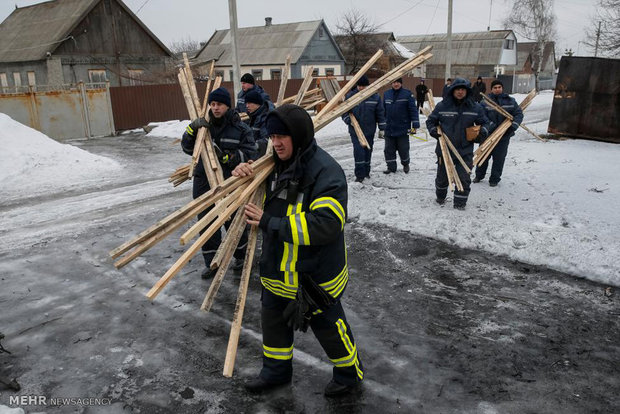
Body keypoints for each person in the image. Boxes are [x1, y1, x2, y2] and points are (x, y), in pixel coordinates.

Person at [232, 104, 364, 397]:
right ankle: (275, 373)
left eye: (283, 136)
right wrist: (243, 173)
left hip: (313, 275)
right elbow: (250, 192)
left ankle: (349, 373)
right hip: (277, 269)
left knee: (329, 328)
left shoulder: (326, 172)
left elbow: (326, 225)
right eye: (272, 135)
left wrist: (270, 222)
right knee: (274, 326)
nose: (276, 142)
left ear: (300, 135)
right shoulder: (271, 165)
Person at [181, 87, 258, 279]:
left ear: (227, 106)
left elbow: (250, 152)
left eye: (220, 104)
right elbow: (187, 148)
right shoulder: (202, 126)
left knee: (234, 219)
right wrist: (191, 130)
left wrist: (230, 158)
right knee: (207, 222)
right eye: (213, 104)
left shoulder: (239, 127)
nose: (215, 108)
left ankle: (240, 256)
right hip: (203, 181)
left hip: (231, 180)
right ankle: (212, 263)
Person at [426, 78, 490, 210]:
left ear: (467, 91)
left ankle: (460, 204)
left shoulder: (475, 107)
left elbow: (485, 123)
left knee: (463, 177)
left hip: (465, 149)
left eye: (463, 89)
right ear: (452, 90)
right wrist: (433, 130)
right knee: (442, 177)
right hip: (445, 149)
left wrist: (481, 131)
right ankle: (440, 197)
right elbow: (431, 121)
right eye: (457, 89)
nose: (460, 92)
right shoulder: (442, 106)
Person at [474, 79, 523, 187]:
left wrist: (513, 126)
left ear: (502, 88)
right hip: (487, 135)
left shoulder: (510, 101)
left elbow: (518, 114)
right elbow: (481, 116)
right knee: (483, 156)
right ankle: (479, 175)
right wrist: (490, 125)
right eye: (495, 88)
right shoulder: (485, 101)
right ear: (491, 89)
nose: (497, 89)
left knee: (499, 158)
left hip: (503, 135)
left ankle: (494, 179)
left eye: (499, 87)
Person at [341, 75, 386, 183]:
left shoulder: (375, 97)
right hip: (355, 130)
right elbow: (343, 112)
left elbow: (380, 113)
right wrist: (349, 120)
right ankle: (359, 175)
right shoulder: (350, 96)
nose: (361, 88)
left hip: (369, 130)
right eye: (359, 86)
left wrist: (382, 128)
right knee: (359, 151)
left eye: (363, 86)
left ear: (368, 86)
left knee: (367, 152)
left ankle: (366, 172)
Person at [382, 78, 419, 174]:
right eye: (394, 82)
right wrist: (382, 124)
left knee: (403, 148)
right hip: (389, 128)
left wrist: (415, 125)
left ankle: (405, 164)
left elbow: (413, 110)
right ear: (391, 83)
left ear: (401, 83)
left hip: (403, 127)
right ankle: (391, 167)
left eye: (398, 82)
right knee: (388, 149)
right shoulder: (386, 94)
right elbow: (383, 111)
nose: (396, 84)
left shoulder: (407, 94)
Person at [245, 89, 272, 156]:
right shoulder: (253, 116)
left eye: (249, 103)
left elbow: (267, 141)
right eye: (246, 103)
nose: (247, 106)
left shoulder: (265, 118)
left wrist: (251, 146)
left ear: (257, 103)